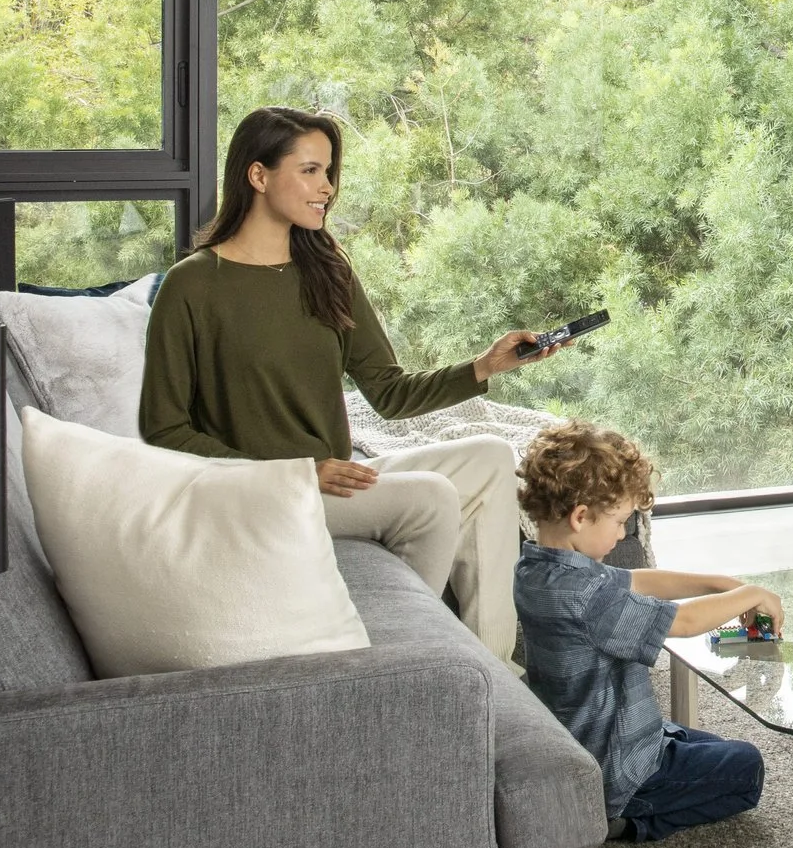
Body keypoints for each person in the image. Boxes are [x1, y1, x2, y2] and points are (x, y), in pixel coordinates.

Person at [140, 105, 557, 661]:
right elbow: (163, 429)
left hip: (332, 483)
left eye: (329, 172)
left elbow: (389, 392)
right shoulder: (191, 285)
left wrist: (484, 367)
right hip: (261, 494)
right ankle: (405, 658)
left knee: (489, 455)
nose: (327, 188)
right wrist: (296, 473)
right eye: (310, 171)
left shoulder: (328, 272)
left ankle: (491, 666)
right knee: (431, 496)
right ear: (258, 175)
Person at [515, 421, 776, 842]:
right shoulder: (587, 597)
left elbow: (636, 579)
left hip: (593, 737)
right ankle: (625, 820)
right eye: (620, 521)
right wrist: (751, 594)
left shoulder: (537, 569)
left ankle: (643, 775)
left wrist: (716, 584)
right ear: (581, 517)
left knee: (705, 745)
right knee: (748, 767)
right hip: (618, 769)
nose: (622, 534)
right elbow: (685, 622)